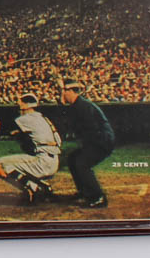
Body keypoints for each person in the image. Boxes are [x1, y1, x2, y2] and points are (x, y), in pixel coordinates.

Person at [0, 92, 62, 203]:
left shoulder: (27, 118)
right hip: (53, 161)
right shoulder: (42, 118)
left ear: (25, 105)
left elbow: (4, 126)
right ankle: (44, 187)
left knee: (0, 165)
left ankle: (33, 188)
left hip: (43, 162)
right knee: (17, 163)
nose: (18, 108)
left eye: (20, 104)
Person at [60, 78, 115, 208]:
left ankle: (98, 197)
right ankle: (84, 192)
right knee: (72, 159)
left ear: (71, 91)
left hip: (102, 141)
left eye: (64, 91)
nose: (63, 94)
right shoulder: (76, 106)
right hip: (96, 140)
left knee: (81, 163)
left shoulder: (83, 106)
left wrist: (87, 146)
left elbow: (93, 129)